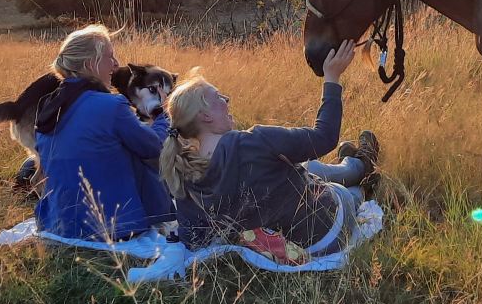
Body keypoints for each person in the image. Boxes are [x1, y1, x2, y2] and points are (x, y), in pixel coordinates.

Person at [159, 41, 379, 257]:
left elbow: (193, 239)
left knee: (305, 167)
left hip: (287, 250)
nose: (227, 99)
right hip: (327, 234)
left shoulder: (187, 173)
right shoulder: (254, 141)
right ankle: (363, 175)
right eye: (218, 97)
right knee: (346, 193)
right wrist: (332, 78)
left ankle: (357, 163)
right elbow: (324, 138)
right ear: (205, 115)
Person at [34, 24, 174, 240]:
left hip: (59, 224)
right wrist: (163, 116)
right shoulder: (111, 106)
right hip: (112, 225)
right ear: (91, 63)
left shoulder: (48, 106)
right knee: (139, 148)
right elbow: (154, 146)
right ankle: (162, 213)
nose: (116, 65)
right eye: (110, 57)